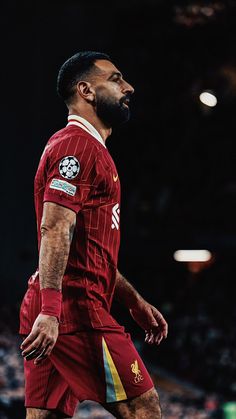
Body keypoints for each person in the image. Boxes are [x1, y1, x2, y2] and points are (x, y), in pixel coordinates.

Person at [19, 51, 168, 419]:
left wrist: (133, 301)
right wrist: (52, 312)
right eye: (115, 79)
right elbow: (55, 228)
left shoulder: (89, 150)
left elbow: (87, 250)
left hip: (58, 305)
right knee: (143, 408)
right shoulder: (77, 146)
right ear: (85, 90)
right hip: (75, 309)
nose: (128, 87)